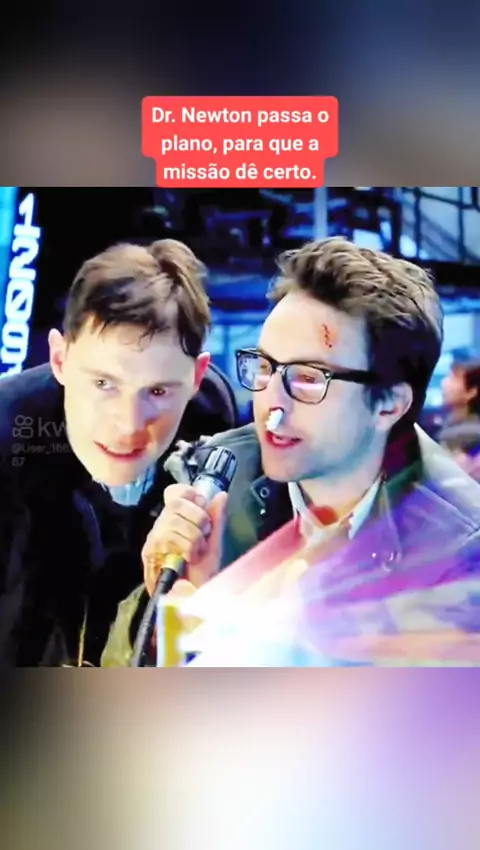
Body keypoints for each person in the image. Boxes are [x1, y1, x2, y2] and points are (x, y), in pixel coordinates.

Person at [103, 236, 480, 667]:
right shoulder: (215, 483)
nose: (271, 404)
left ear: (389, 405)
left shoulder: (458, 551)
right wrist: (164, 616)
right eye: (264, 367)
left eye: (308, 378)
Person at [0, 238, 238, 667]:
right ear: (59, 359)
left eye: (159, 392)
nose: (129, 425)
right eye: (103, 384)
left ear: (196, 377)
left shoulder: (214, 420)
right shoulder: (7, 436)